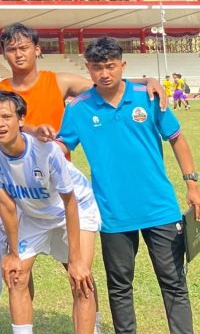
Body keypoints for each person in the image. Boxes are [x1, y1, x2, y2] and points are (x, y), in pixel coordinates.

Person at [57, 37, 199, 333]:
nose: (104, 73)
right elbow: (62, 147)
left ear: (122, 65)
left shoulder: (149, 96)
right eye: (97, 68)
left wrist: (192, 184)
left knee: (174, 282)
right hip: (113, 213)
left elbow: (176, 139)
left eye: (110, 66)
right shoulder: (78, 109)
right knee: (120, 286)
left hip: (160, 208)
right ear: (88, 68)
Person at [0, 90, 101, 334]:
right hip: (33, 215)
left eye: (6, 117)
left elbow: (70, 203)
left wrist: (75, 259)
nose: (0, 124)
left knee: (80, 279)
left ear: (21, 120)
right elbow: (6, 205)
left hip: (75, 209)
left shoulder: (47, 151)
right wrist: (13, 253)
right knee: (16, 275)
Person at [0, 23, 165, 131]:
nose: (19, 55)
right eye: (11, 50)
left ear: (37, 50)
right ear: (3, 53)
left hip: (56, 168)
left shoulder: (59, 82)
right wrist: (34, 131)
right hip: (13, 170)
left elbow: (103, 85)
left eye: (24, 48)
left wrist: (146, 81)